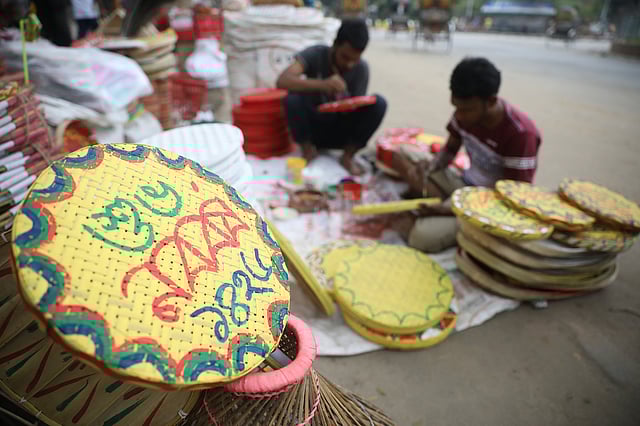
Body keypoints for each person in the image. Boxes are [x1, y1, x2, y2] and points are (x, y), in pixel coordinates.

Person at [396, 57, 542, 253]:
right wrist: (430, 167)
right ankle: (441, 203)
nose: (459, 116)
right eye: (456, 107)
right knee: (403, 155)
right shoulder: (463, 115)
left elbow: (514, 200)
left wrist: (451, 210)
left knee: (421, 238)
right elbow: (449, 151)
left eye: (466, 110)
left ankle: (445, 210)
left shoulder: (520, 134)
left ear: (490, 101)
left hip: (490, 204)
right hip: (464, 183)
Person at [277, 18, 387, 175]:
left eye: (354, 60)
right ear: (335, 44)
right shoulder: (316, 54)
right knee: (292, 98)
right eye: (345, 57)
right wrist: (322, 84)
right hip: (313, 129)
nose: (349, 64)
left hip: (341, 131)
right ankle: (308, 151)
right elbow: (282, 80)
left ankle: (348, 156)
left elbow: (358, 109)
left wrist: (347, 104)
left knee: (379, 103)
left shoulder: (361, 69)